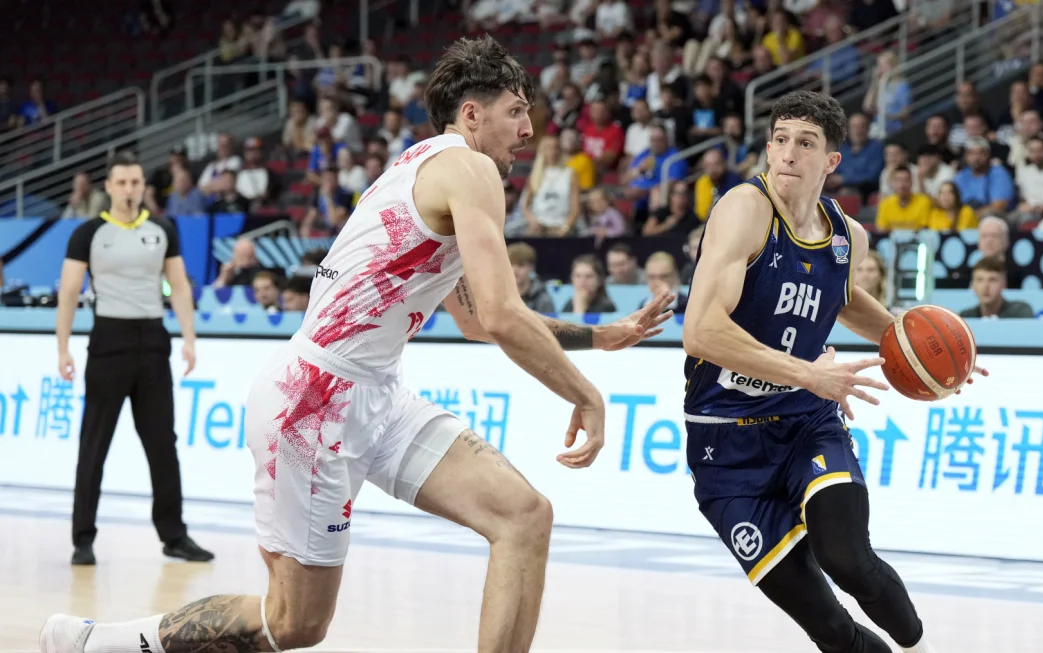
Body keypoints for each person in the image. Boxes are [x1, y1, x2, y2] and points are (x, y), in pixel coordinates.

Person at [41, 35, 674, 653]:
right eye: (516, 112)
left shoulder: (423, 167)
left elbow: (478, 319)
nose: (528, 130)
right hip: (313, 401)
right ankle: (103, 642)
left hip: (376, 394)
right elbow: (504, 317)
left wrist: (600, 335)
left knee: (523, 517)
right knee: (293, 624)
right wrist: (585, 393)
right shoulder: (468, 166)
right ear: (472, 114)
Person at [681, 89, 985, 653]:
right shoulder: (744, 210)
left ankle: (918, 643)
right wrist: (807, 373)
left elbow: (841, 297)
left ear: (831, 162)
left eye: (805, 143)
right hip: (725, 446)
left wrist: (930, 355)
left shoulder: (848, 236)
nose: (788, 154)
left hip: (804, 424)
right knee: (829, 628)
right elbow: (701, 332)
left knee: (849, 559)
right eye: (779, 140)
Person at [53, 151, 213, 567]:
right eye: (122, 183)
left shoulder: (162, 229)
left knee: (163, 443)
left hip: (153, 340)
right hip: (109, 339)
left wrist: (189, 338)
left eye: (136, 182)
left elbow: (178, 286)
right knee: (95, 443)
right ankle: (82, 539)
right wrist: (62, 347)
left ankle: (174, 535)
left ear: (144, 186)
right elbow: (69, 291)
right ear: (109, 187)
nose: (129, 189)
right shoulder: (88, 232)